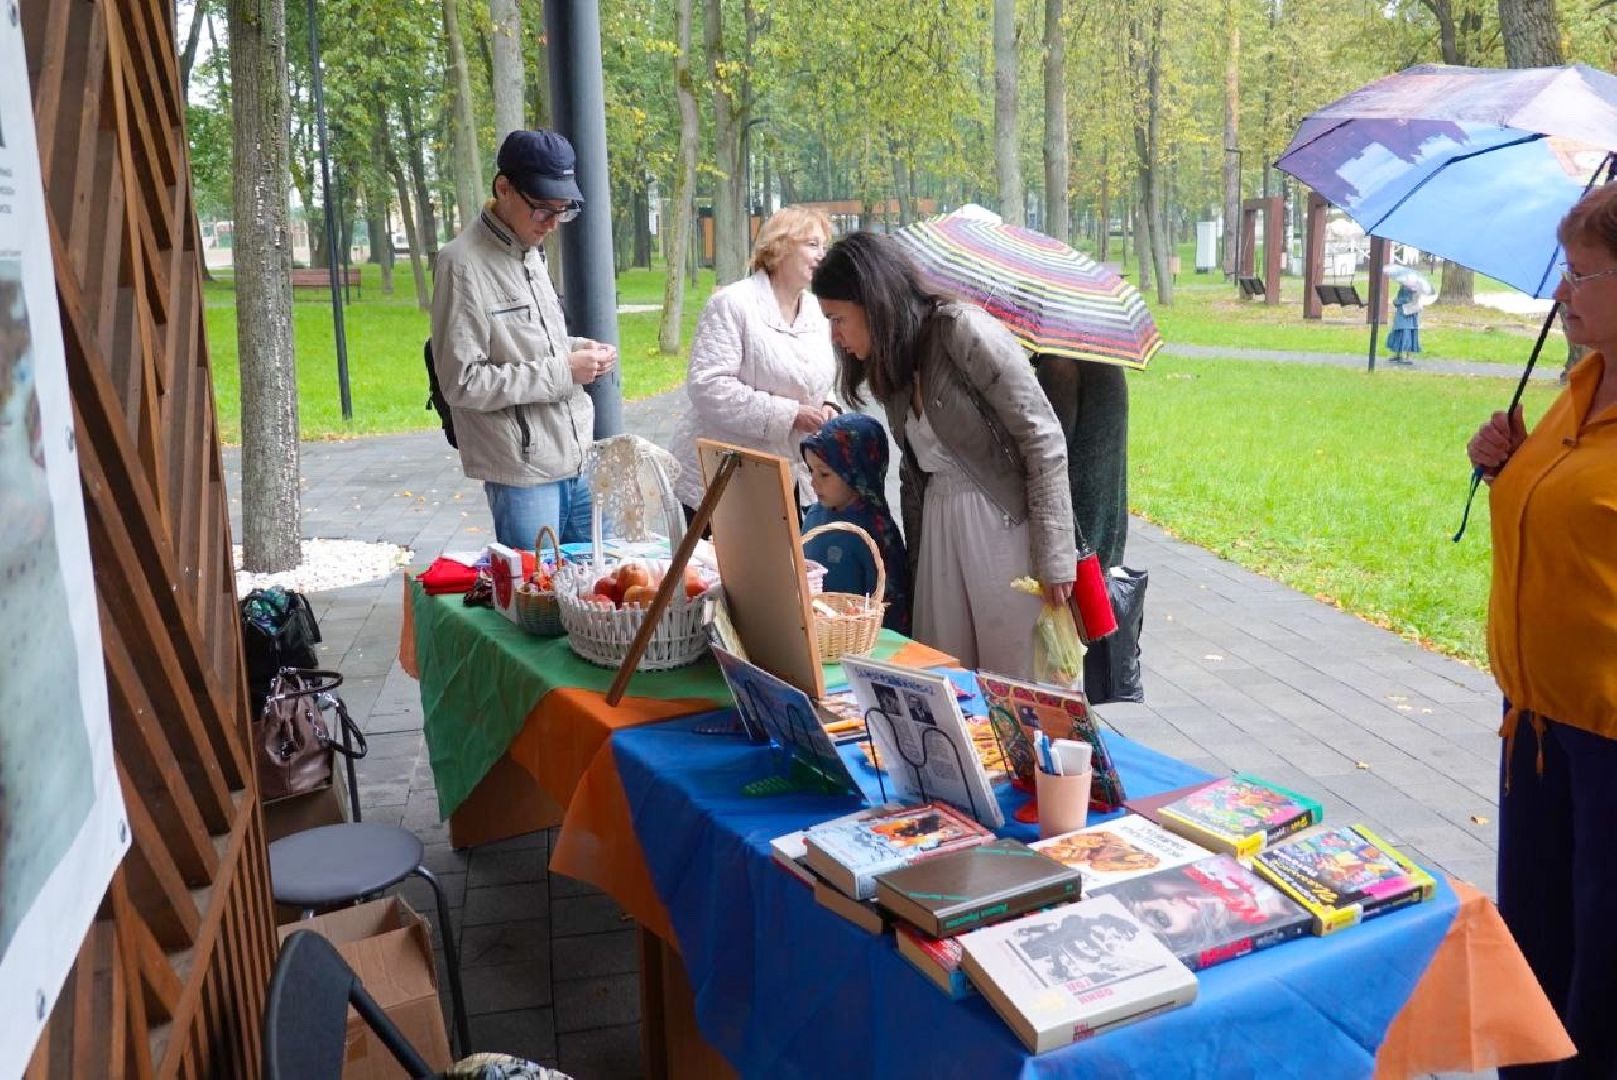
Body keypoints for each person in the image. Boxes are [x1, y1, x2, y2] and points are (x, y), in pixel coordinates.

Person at [1465, 182, 1617, 1080]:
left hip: (1609, 747)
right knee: (1532, 958)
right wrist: (1508, 468)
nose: (1561, 293)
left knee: (1599, 983)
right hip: (1535, 730)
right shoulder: (1577, 389)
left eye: (1583, 274)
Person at [810, 232, 1075, 679]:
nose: (835, 336)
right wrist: (912, 564)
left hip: (1001, 528)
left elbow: (1043, 436)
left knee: (1016, 681)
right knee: (946, 678)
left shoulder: (961, 329)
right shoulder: (894, 363)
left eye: (838, 319)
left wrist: (1054, 556)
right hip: (940, 531)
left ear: (871, 302)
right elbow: (916, 477)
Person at [429, 129, 618, 548]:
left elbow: (529, 344)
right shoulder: (460, 265)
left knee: (602, 589)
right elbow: (462, 382)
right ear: (504, 188)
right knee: (538, 603)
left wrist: (579, 350)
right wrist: (564, 370)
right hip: (523, 475)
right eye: (542, 210)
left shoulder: (530, 250)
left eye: (563, 211)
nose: (552, 223)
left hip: (578, 458)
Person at [671, 206, 838, 518]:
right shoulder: (733, 304)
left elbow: (817, 380)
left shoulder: (817, 310)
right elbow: (709, 386)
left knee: (788, 566)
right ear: (779, 247)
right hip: (726, 478)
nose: (822, 256)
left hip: (794, 476)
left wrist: (828, 405)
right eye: (812, 244)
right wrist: (789, 415)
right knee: (725, 568)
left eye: (824, 247)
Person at [800, 412, 911, 633]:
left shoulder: (877, 533)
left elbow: (893, 610)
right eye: (811, 470)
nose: (813, 482)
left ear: (855, 471)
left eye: (824, 474)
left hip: (858, 642)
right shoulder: (814, 515)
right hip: (816, 634)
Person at [1384, 280, 1429, 366]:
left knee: (1406, 334)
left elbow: (1405, 300)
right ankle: (1398, 354)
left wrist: (1396, 301)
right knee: (1399, 333)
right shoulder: (1404, 288)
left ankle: (1406, 356)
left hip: (1407, 314)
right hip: (1404, 314)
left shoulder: (1411, 289)